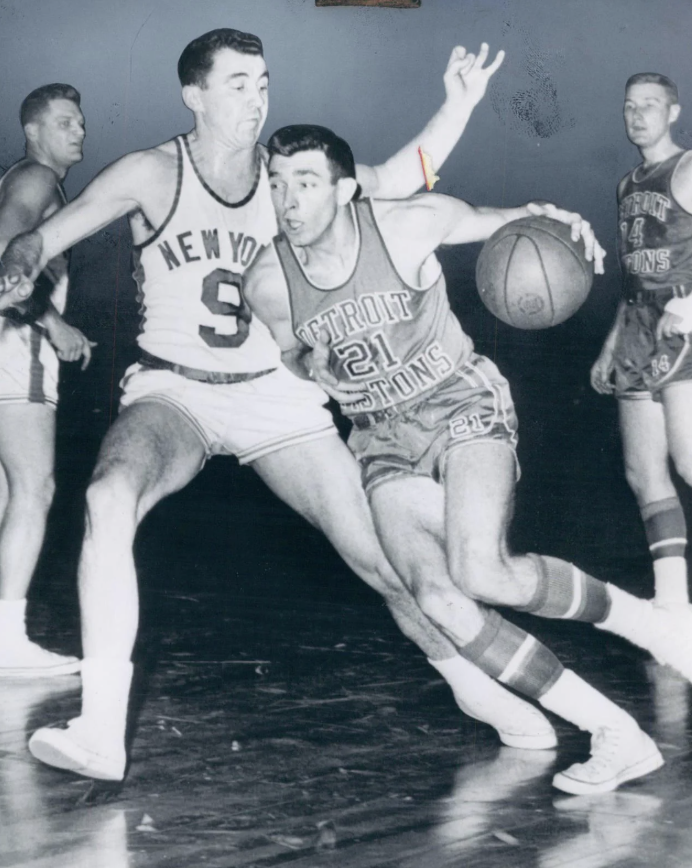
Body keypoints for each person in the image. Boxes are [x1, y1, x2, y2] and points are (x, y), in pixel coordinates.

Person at [0, 30, 557, 782]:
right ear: (193, 94)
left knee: (387, 562)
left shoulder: (290, 178)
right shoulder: (151, 172)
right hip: (177, 389)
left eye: (262, 83)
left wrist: (456, 105)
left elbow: (399, 176)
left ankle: (479, 689)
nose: (256, 98)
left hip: (278, 398)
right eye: (237, 84)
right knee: (107, 496)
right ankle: (101, 729)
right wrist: (17, 264)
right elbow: (45, 236)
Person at [244, 122, 692, 794]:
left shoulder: (407, 224)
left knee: (484, 572)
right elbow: (295, 358)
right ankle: (614, 733)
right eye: (276, 185)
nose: (287, 200)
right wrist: (322, 369)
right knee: (439, 600)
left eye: (304, 183)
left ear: (344, 189)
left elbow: (518, 221)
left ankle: (653, 627)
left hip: (460, 404)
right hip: (380, 437)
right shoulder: (268, 282)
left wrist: (569, 226)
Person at [0, 84, 94, 678]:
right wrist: (55, 323)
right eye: (65, 122)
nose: (80, 131)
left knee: (9, 496)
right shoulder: (36, 178)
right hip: (19, 345)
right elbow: (6, 249)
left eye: (82, 122)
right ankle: (8, 642)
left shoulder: (26, 179)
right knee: (35, 490)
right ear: (33, 131)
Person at [591, 73, 692, 609]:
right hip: (635, 324)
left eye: (650, 105)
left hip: (684, 320)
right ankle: (673, 604)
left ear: (673, 112)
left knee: (690, 460)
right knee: (642, 470)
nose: (637, 115)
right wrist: (613, 341)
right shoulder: (628, 184)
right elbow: (633, 274)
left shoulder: (688, 166)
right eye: (630, 105)